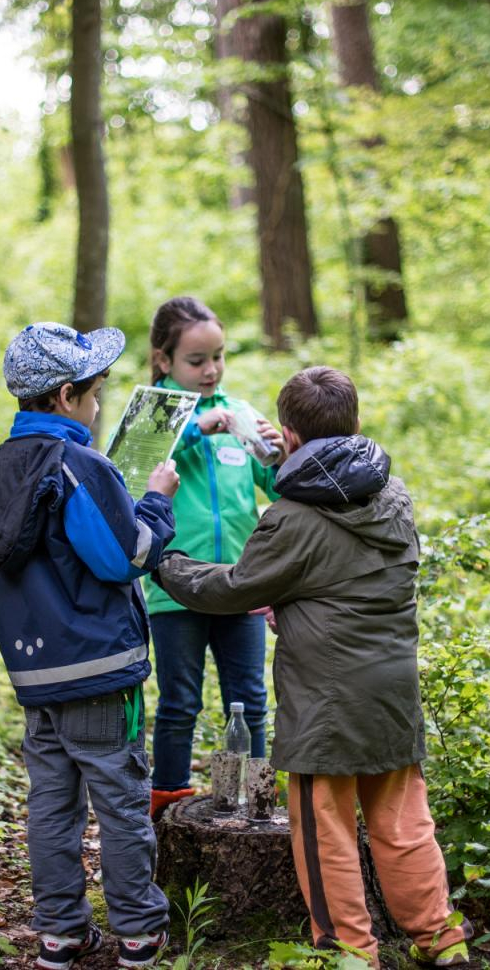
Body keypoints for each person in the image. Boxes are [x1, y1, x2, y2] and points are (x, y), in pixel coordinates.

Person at [153, 367, 473, 967]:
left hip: (324, 704)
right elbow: (352, 579)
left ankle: (351, 954)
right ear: (353, 425)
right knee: (405, 826)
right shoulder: (394, 494)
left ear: (290, 437)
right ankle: (442, 943)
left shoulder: (290, 518)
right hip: (393, 691)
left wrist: (167, 565)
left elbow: (235, 588)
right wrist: (299, 601)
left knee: (324, 837)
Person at [0, 322, 179, 970]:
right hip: (102, 672)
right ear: (64, 396)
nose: (99, 403)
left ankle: (60, 931)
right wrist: (156, 504)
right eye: (96, 392)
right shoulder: (80, 465)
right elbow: (124, 555)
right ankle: (138, 930)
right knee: (119, 800)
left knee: (51, 804)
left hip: (36, 676)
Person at [141, 296, 285, 817]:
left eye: (218, 357)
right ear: (165, 361)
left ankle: (256, 804)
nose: (210, 370)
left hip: (240, 581)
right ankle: (166, 809)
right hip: (174, 583)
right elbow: (136, 471)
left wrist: (281, 451)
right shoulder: (155, 414)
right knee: (179, 703)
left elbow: (275, 484)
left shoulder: (241, 412)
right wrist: (195, 430)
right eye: (196, 361)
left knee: (249, 699)